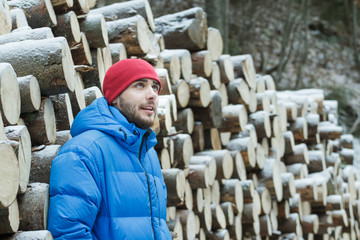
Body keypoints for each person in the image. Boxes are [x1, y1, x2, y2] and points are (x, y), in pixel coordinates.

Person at [47, 58, 172, 239]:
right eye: (139, 85)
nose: (152, 94)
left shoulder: (148, 153)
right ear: (115, 97)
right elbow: (70, 233)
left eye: (155, 87)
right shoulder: (83, 152)